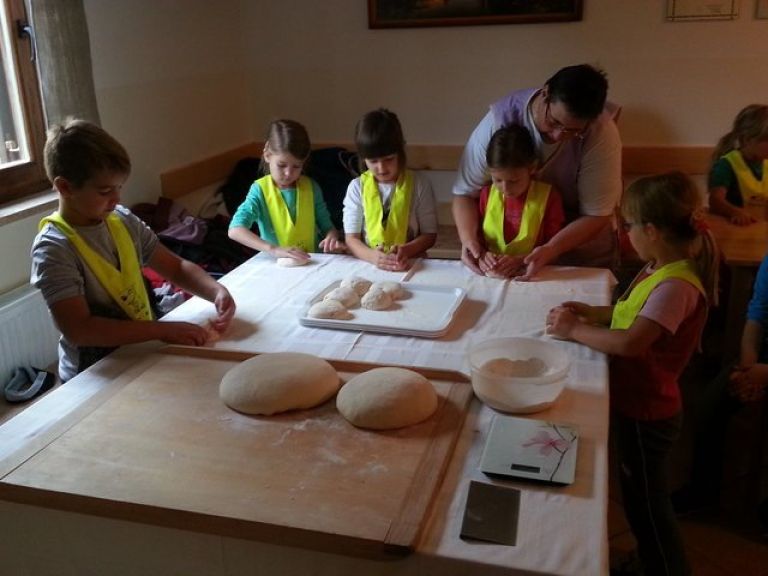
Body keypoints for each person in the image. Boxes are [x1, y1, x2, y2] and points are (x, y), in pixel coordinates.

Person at [546, 172, 719, 576]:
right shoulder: (659, 266)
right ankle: (648, 561)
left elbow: (630, 342)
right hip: (636, 403)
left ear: (652, 231)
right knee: (638, 496)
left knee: (647, 505)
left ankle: (665, 567)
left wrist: (573, 331)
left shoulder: (675, 286)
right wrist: (593, 314)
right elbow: (630, 315)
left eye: (628, 226)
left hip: (647, 412)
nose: (625, 234)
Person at [31, 119, 236, 382]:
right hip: (93, 372)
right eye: (105, 191)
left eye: (119, 188)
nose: (116, 199)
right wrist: (162, 330)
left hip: (138, 350)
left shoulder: (121, 220)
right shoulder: (54, 248)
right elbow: (80, 329)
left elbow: (175, 268)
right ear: (65, 187)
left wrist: (216, 291)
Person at [452, 63, 622, 278]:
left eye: (573, 131)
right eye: (554, 122)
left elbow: (597, 214)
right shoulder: (498, 120)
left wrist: (551, 249)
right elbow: (464, 193)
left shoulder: (601, 132)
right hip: (511, 237)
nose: (558, 136)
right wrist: (469, 240)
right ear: (545, 93)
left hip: (580, 233)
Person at [228, 119, 344, 263]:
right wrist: (273, 249)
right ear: (267, 155)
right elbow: (235, 230)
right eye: (282, 165)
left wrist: (332, 237)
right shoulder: (260, 190)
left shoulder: (311, 188)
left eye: (296, 166)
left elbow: (328, 227)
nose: (289, 173)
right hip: (276, 267)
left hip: (312, 262)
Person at [343, 108, 437, 271]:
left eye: (389, 159)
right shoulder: (357, 188)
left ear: (400, 152)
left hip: (411, 264)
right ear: (363, 159)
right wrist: (373, 257)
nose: (381, 168)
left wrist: (406, 250)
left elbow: (429, 235)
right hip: (369, 265)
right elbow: (351, 239)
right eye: (373, 161)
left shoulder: (419, 184)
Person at [476, 124, 565, 279]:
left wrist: (522, 260)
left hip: (534, 274)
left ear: (532, 168)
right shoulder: (486, 194)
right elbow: (477, 240)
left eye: (514, 181)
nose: (505, 188)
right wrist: (483, 256)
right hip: (492, 275)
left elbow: (553, 250)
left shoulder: (549, 197)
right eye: (498, 180)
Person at [708, 104, 768, 226]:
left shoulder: (766, 163)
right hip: (735, 230)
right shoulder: (726, 165)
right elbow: (715, 201)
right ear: (746, 139)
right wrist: (734, 211)